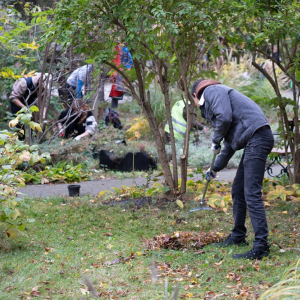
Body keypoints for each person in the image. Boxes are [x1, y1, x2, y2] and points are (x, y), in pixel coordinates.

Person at [191, 79, 274, 260]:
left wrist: (215, 139)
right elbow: (228, 145)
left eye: (194, 103)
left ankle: (261, 246)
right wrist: (214, 168)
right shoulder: (218, 96)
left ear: (195, 95)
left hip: (258, 137)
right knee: (238, 190)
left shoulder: (212, 91)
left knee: (251, 192)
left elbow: (224, 117)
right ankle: (238, 236)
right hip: (256, 138)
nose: (197, 107)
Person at [9, 73, 46, 140]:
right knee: (19, 125)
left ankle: (34, 140)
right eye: (44, 86)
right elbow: (13, 98)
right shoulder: (23, 82)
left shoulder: (43, 88)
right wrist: (25, 108)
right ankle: (19, 142)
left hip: (30, 101)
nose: (44, 88)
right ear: (40, 80)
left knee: (35, 121)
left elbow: (43, 102)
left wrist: (43, 115)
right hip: (17, 102)